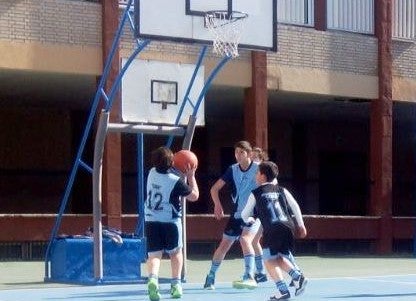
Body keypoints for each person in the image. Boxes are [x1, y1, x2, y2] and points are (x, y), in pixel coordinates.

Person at [241, 161, 308, 300]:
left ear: (263, 176)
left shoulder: (256, 193)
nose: (255, 176)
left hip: (272, 227)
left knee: (268, 260)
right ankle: (292, 282)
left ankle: (294, 280)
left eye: (257, 173)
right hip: (287, 226)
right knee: (279, 257)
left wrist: (249, 220)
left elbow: (244, 214)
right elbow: (295, 206)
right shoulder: (282, 189)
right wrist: (301, 225)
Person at [204, 141, 260, 290]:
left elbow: (272, 183)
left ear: (249, 154)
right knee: (224, 245)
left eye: (241, 152)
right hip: (236, 214)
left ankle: (249, 275)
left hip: (253, 214)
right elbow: (214, 189)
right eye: (236, 152)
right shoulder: (232, 170)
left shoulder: (258, 169)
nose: (238, 155)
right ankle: (210, 276)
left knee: (245, 239)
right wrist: (217, 204)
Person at [145, 146, 199, 301]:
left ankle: (153, 279)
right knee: (176, 253)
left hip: (151, 220)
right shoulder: (175, 182)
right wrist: (191, 176)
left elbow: (165, 171)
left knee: (154, 255)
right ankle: (176, 284)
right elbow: (194, 196)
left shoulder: (151, 173)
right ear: (171, 163)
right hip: (170, 222)